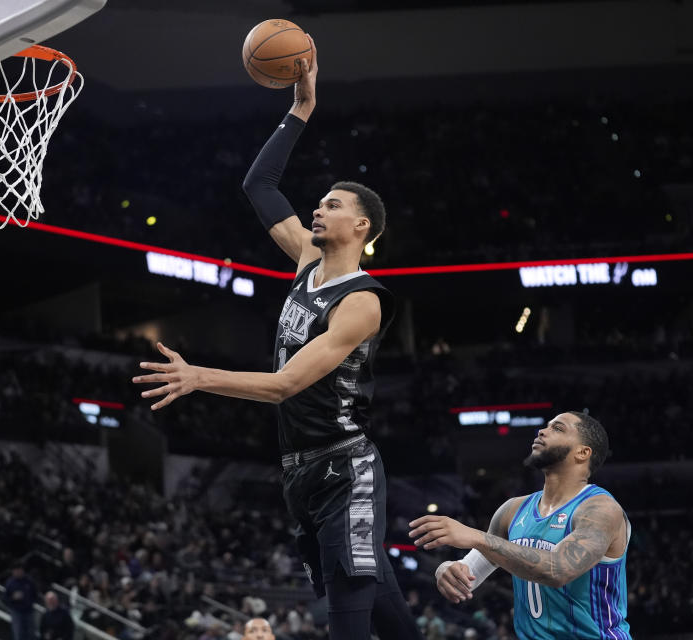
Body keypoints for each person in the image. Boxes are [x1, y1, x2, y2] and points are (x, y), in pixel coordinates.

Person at [132, 37, 421, 640]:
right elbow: (259, 184)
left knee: (348, 614)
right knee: (389, 616)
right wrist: (300, 111)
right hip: (299, 471)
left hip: (346, 468)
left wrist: (200, 377)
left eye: (331, 205)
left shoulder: (362, 301)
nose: (317, 210)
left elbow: (288, 383)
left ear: (361, 226)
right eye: (317, 203)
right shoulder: (302, 263)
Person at [409, 411, 632, 639]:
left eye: (558, 428)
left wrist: (476, 536)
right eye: (546, 426)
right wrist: (446, 570)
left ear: (583, 453)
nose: (542, 431)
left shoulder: (600, 509)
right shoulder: (512, 510)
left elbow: (558, 570)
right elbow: (470, 572)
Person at [3, 563, 36, 640]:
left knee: (31, 634)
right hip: (16, 612)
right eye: (16, 570)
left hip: (29, 611)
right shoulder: (10, 583)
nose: (18, 572)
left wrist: (30, 602)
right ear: (13, 571)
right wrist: (13, 598)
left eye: (19, 570)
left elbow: (35, 595)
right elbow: (5, 599)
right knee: (18, 634)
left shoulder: (29, 581)